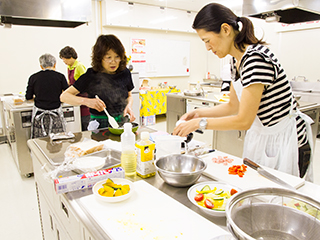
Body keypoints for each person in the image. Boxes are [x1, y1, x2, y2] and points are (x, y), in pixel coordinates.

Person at [173, 3, 313, 181]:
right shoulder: (235, 62)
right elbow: (233, 106)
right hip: (265, 138)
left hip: (286, 142)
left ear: (225, 29)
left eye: (207, 40)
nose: (207, 48)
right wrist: (198, 112)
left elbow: (244, 120)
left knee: (284, 197)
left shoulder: (256, 59)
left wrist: (200, 123)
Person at [60, 34, 136, 130]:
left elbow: (129, 96)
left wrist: (129, 106)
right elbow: (64, 96)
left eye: (117, 57)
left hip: (122, 122)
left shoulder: (125, 73)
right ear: (100, 58)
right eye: (108, 57)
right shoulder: (91, 75)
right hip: (99, 125)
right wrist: (87, 102)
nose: (113, 62)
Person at [26, 53, 69, 138]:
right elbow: (67, 93)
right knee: (58, 140)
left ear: (41, 66)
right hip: (56, 114)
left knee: (40, 141)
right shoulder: (60, 77)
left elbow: (28, 97)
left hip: (39, 114)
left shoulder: (33, 77)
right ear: (54, 64)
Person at [59, 46, 90, 131]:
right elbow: (70, 82)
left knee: (85, 125)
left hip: (83, 98)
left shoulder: (79, 66)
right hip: (75, 99)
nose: (64, 61)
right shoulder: (69, 67)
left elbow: (87, 82)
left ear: (70, 56)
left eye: (64, 58)